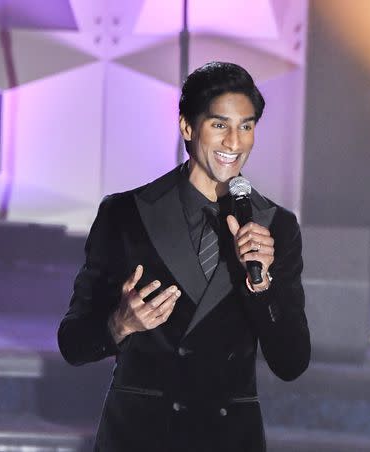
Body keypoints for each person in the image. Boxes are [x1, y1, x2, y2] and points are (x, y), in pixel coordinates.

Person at [57, 61, 310, 452]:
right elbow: (72, 343)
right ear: (188, 127)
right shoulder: (126, 214)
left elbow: (291, 362)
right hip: (140, 436)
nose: (234, 142)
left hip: (228, 438)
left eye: (246, 126)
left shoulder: (276, 226)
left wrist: (261, 284)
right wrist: (118, 325)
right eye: (219, 125)